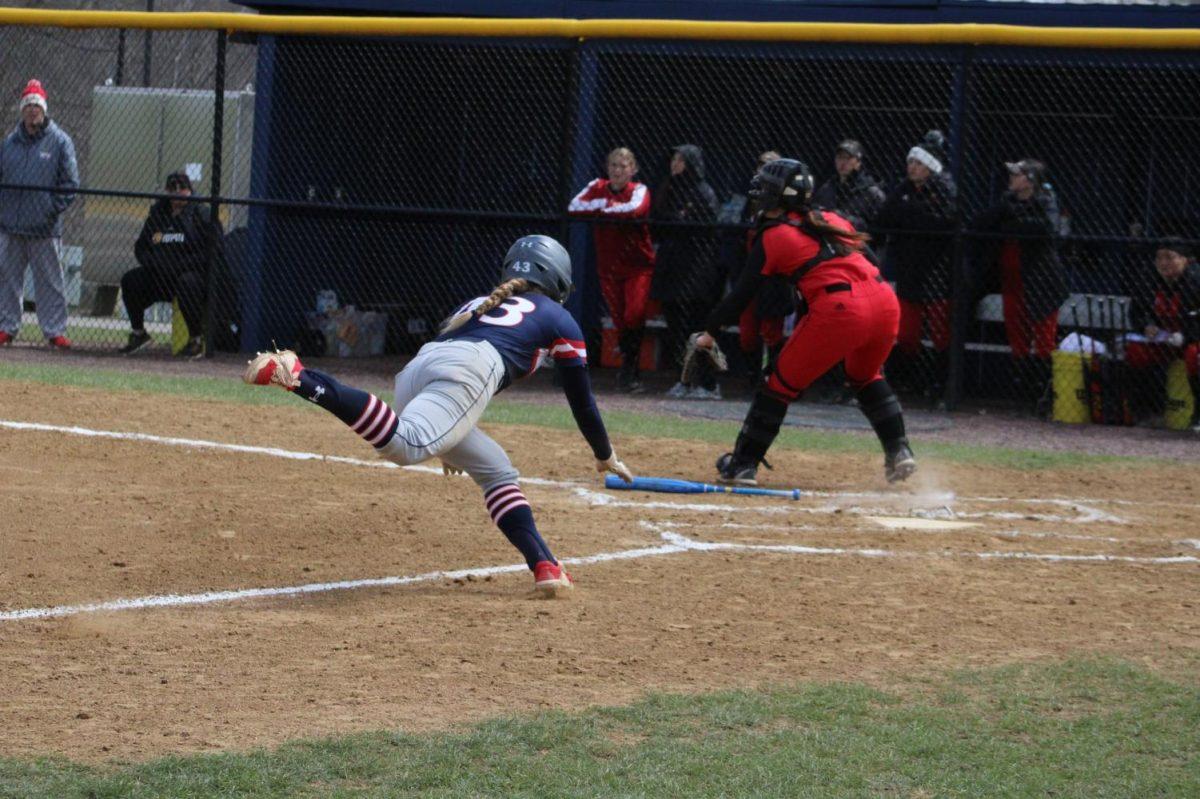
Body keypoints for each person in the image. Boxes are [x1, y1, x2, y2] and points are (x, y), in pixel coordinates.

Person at [242, 235, 634, 596]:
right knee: (406, 446)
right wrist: (604, 454)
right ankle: (301, 377)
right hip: (470, 369)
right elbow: (581, 401)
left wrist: (450, 447)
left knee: (496, 469)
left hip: (418, 371)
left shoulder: (481, 301)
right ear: (559, 279)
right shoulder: (559, 317)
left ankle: (546, 567)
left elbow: (447, 355)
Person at [692, 158, 916, 486]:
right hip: (884, 301)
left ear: (775, 198)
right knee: (866, 376)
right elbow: (869, 260)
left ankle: (742, 464)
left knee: (778, 384)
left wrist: (709, 334)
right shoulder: (831, 216)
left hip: (841, 307)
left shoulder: (774, 235)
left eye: (764, 191)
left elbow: (740, 295)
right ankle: (899, 451)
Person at [972, 158, 1067, 402]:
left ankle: (1044, 393)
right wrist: (1010, 214)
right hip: (1010, 282)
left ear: (1030, 181)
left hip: (1041, 283)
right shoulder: (1007, 202)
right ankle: (1021, 392)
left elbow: (1048, 228)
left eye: (1018, 175)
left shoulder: (1045, 201)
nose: (1012, 179)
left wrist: (1014, 222)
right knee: (1017, 338)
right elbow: (982, 222)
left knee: (1044, 339)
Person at [876, 130, 958, 400]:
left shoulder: (944, 187)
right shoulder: (904, 188)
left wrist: (910, 213)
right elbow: (885, 216)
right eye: (911, 162)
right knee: (907, 334)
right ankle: (908, 382)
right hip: (910, 271)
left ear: (931, 167)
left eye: (918, 163)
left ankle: (939, 386)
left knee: (940, 334)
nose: (912, 168)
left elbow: (941, 223)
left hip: (939, 272)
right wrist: (911, 210)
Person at [567, 147, 656, 392]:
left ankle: (631, 368)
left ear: (633, 169)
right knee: (619, 319)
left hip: (638, 265)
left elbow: (635, 210)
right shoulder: (597, 185)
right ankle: (628, 371)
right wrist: (608, 205)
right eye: (614, 165)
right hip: (609, 266)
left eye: (623, 166)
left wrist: (602, 209)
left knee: (634, 314)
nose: (617, 170)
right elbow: (574, 207)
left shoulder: (639, 190)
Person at [0, 79, 79, 349]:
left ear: (44, 109)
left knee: (50, 282)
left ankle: (54, 331)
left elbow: (70, 184)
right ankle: (6, 327)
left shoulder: (60, 142)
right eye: (28, 105)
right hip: (11, 226)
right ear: (22, 110)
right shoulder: (9, 143)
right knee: (8, 280)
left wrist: (50, 210)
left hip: (44, 228)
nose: (32, 110)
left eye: (37, 105)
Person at [119, 171, 223, 358]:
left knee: (188, 283)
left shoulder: (201, 213)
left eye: (181, 189)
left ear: (189, 191)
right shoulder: (158, 214)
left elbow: (213, 251)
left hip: (191, 276)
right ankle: (139, 334)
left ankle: (196, 340)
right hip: (161, 275)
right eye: (172, 189)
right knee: (130, 280)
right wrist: (153, 263)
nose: (176, 194)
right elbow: (141, 247)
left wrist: (181, 264)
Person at [651, 144, 721, 399]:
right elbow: (659, 223)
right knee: (676, 328)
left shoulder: (704, 191)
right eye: (675, 159)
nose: (675, 164)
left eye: (681, 160)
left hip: (696, 272)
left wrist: (678, 221)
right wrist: (677, 218)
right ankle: (684, 379)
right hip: (672, 269)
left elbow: (703, 228)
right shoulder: (669, 189)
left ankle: (709, 383)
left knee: (697, 328)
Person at [730, 150, 792, 391]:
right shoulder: (748, 201)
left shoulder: (786, 204)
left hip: (773, 278)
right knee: (747, 334)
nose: (764, 170)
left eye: (771, 167)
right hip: (749, 276)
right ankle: (753, 378)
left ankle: (773, 380)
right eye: (761, 166)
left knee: (771, 331)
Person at [1123, 238, 1200, 429]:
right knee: (1135, 351)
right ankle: (1148, 413)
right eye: (1159, 258)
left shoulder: (1196, 281)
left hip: (1191, 339)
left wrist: (1185, 336)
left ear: (1185, 260)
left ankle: (1197, 415)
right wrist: (1146, 326)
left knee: (1194, 355)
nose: (1163, 263)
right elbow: (1136, 312)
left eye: (1170, 257)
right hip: (1162, 341)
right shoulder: (1148, 278)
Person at [811, 139, 885, 233]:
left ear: (858, 162)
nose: (843, 162)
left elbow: (875, 228)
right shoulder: (828, 187)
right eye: (839, 157)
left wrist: (840, 217)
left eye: (848, 158)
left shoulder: (872, 193)